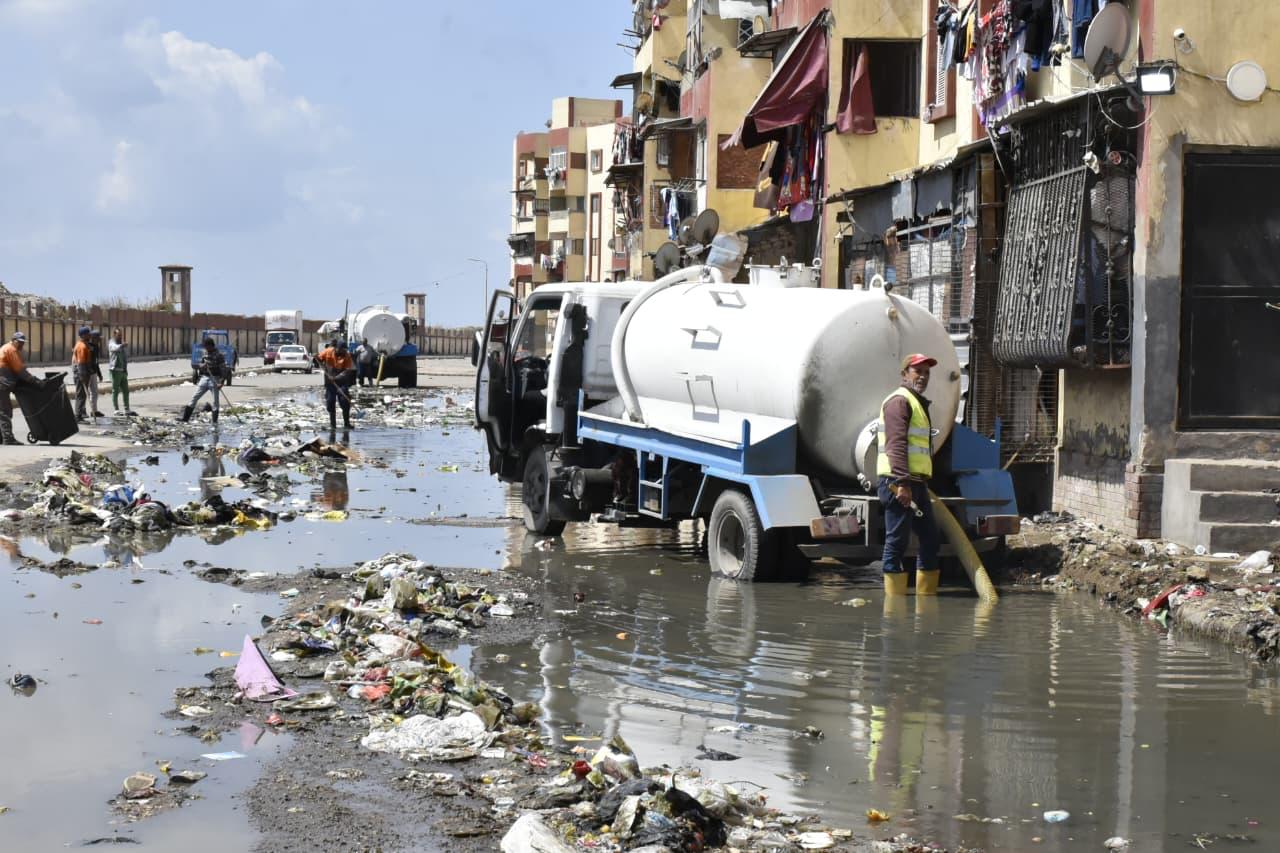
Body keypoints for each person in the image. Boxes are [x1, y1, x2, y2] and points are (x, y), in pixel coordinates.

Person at [876, 353, 941, 596]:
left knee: (931, 539)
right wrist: (902, 482)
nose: (923, 376)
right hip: (898, 482)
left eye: (926, 372)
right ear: (905, 374)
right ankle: (894, 606)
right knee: (897, 541)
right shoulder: (899, 401)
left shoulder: (915, 402)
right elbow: (896, 444)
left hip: (916, 482)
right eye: (918, 371)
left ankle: (926, 601)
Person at [0, 332, 36, 445]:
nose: (21, 345)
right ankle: (8, 438)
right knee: (5, 411)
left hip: (3, 383)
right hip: (2, 383)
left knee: (2, 410)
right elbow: (19, 369)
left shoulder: (7, 348)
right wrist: (33, 380)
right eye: (19, 342)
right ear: (14, 340)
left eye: (23, 343)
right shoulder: (11, 350)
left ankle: (2, 436)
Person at [182, 337, 226, 424]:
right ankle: (185, 419)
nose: (206, 348)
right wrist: (202, 366)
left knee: (215, 402)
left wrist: (221, 382)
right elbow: (198, 365)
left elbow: (223, 370)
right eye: (205, 347)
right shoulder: (204, 353)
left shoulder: (219, 355)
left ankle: (214, 422)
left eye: (207, 346)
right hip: (204, 378)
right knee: (194, 397)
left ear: (211, 345)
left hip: (215, 379)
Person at [316, 339, 355, 430]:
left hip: (342, 382)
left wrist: (336, 378)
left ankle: (346, 423)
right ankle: (333, 425)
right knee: (330, 401)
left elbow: (347, 371)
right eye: (342, 349)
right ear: (337, 348)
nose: (343, 351)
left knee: (344, 401)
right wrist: (317, 359)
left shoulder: (347, 355)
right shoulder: (328, 351)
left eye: (344, 349)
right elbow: (319, 359)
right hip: (329, 383)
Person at [72, 326, 102, 421]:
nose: (90, 335)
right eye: (88, 333)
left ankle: (80, 414)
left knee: (83, 395)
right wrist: (83, 376)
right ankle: (78, 416)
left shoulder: (85, 345)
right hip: (81, 374)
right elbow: (81, 363)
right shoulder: (82, 346)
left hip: (85, 373)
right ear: (84, 335)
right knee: (81, 395)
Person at [108, 328, 133, 416]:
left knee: (126, 390)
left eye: (121, 335)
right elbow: (114, 348)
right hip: (115, 370)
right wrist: (122, 345)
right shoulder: (111, 343)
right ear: (114, 335)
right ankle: (116, 409)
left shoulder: (121, 344)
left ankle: (127, 409)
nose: (120, 337)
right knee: (115, 390)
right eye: (118, 335)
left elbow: (124, 357)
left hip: (123, 371)